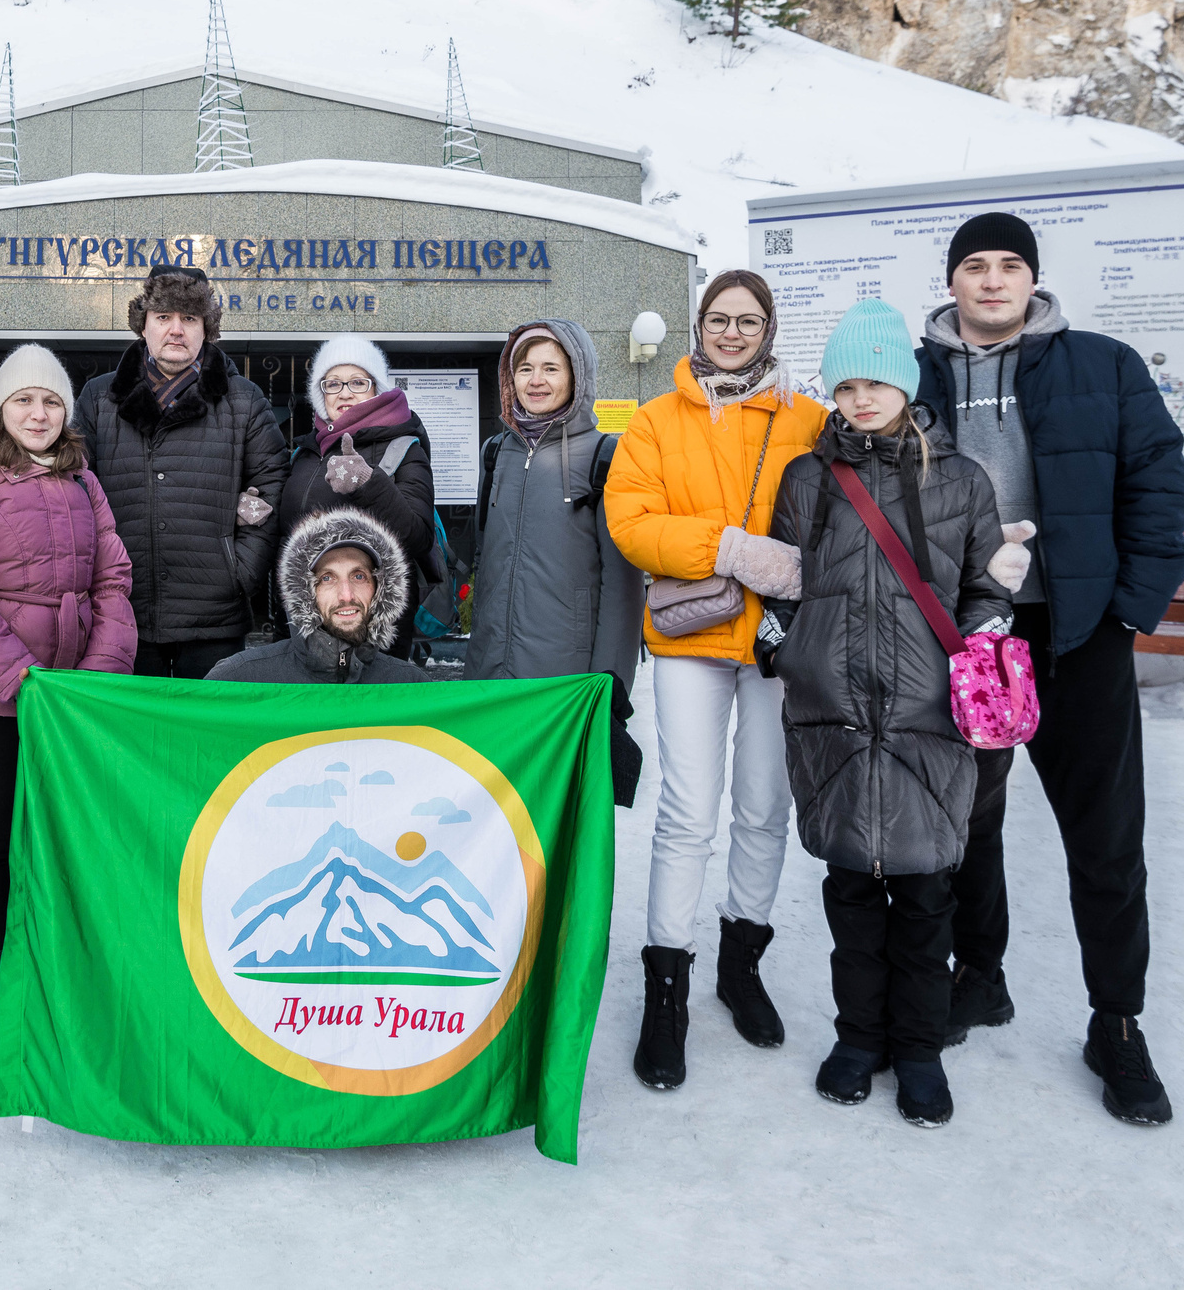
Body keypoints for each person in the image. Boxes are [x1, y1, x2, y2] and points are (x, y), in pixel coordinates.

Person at [913, 211, 1184, 1127]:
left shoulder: (1101, 363)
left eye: (1010, 266)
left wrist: (1126, 607)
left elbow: (1158, 480)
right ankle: (979, 975)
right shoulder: (916, 376)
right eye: (975, 267)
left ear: (1032, 279)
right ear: (951, 280)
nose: (992, 282)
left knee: (1105, 838)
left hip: (1077, 636)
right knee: (968, 822)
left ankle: (1116, 1022)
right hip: (973, 639)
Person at [757, 300, 1017, 1128]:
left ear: (904, 383)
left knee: (926, 896)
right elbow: (781, 583)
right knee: (851, 894)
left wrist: (981, 643)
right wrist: (785, 649)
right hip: (831, 715)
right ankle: (858, 1038)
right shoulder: (807, 480)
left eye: (875, 382)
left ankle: (919, 1049)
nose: (860, 399)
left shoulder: (961, 480)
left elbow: (981, 589)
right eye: (845, 385)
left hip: (928, 716)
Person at [605, 270, 829, 1090]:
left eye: (748, 320)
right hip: (692, 638)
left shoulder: (808, 418)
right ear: (699, 324)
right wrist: (731, 548)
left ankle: (743, 959)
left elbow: (840, 516)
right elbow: (631, 521)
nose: (732, 332)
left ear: (769, 328)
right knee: (688, 809)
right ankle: (668, 986)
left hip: (779, 641)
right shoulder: (659, 420)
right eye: (719, 318)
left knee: (765, 804)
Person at [0, 345, 138, 1024]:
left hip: (70, 694)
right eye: (25, 399)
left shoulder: (84, 483)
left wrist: (98, 677)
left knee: (56, 826)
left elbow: (113, 579)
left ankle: (53, 943)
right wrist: (25, 679)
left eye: (50, 401)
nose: (39, 412)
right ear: (0, 408)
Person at [75, 266, 288, 677]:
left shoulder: (243, 401)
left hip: (214, 614)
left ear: (206, 328)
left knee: (208, 737)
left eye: (189, 318)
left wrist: (239, 572)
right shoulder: (100, 398)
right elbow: (75, 488)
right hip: (122, 607)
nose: (176, 330)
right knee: (138, 737)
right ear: (143, 326)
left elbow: (271, 484)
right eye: (163, 317)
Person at [464, 318, 644, 785]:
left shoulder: (606, 455)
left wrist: (609, 683)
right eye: (525, 368)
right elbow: (487, 558)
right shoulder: (495, 452)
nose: (536, 380)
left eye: (551, 368)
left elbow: (621, 586)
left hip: (564, 678)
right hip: (489, 674)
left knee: (552, 806)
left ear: (576, 376)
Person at [272, 337, 438, 659]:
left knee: (370, 709)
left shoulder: (404, 448)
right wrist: (260, 510)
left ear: (376, 388)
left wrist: (369, 483)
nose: (344, 392)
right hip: (302, 621)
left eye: (358, 382)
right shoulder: (305, 452)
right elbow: (287, 533)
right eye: (332, 384)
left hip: (370, 627)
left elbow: (418, 537)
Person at [208, 508, 435, 686]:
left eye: (358, 576)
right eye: (327, 578)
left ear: (381, 588)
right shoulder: (242, 679)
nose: (346, 596)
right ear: (304, 592)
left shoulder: (409, 687)